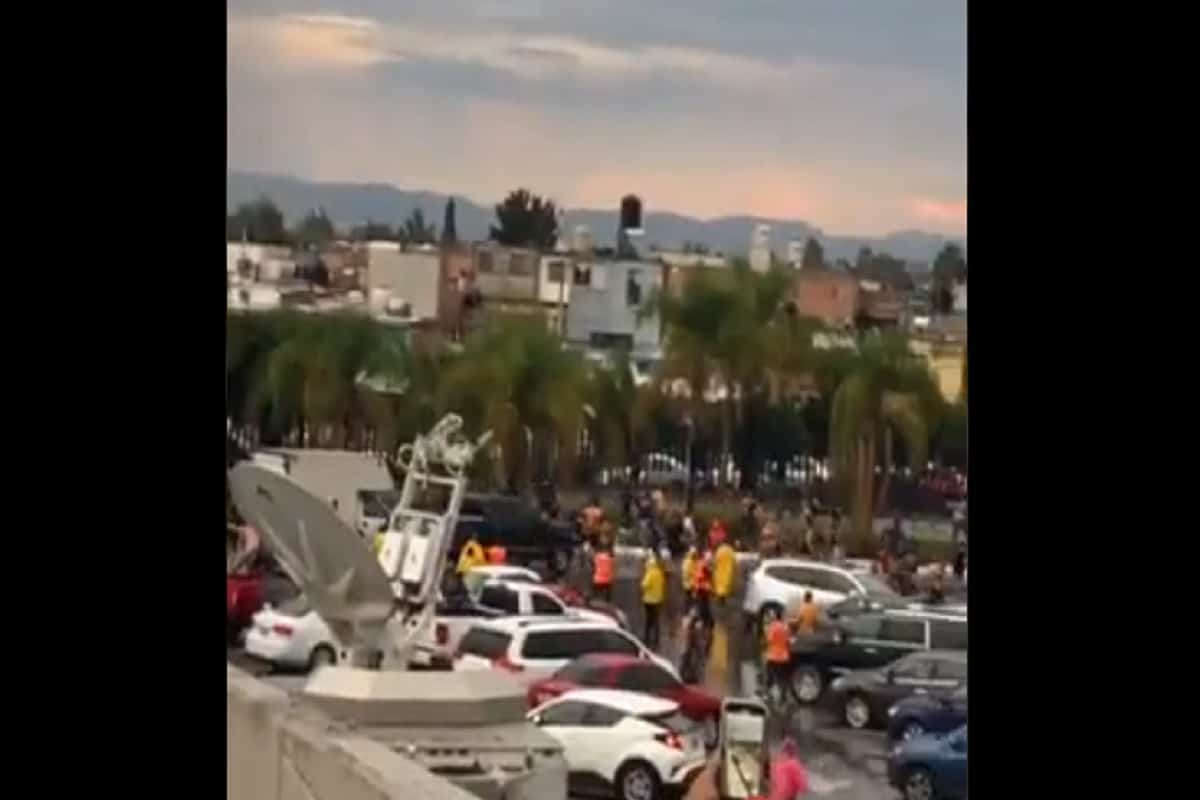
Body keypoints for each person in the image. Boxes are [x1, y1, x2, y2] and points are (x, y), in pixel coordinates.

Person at [763, 609, 791, 703]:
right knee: (782, 677)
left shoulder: (773, 627)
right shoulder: (786, 627)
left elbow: (769, 640)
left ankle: (767, 694)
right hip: (783, 657)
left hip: (773, 656)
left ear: (776, 617)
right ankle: (783, 696)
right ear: (782, 617)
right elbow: (788, 642)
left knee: (770, 676)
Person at [641, 551, 665, 649]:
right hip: (658, 599)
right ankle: (656, 640)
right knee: (656, 621)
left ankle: (646, 638)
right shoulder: (659, 573)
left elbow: (644, 585)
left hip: (649, 600)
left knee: (648, 621)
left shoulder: (650, 573)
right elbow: (662, 584)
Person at [713, 528, 736, 607]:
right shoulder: (730, 550)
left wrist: (715, 567)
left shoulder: (719, 550)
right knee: (726, 585)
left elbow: (716, 560)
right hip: (728, 570)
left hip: (719, 571)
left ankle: (720, 599)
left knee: (720, 585)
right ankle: (723, 599)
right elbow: (734, 561)